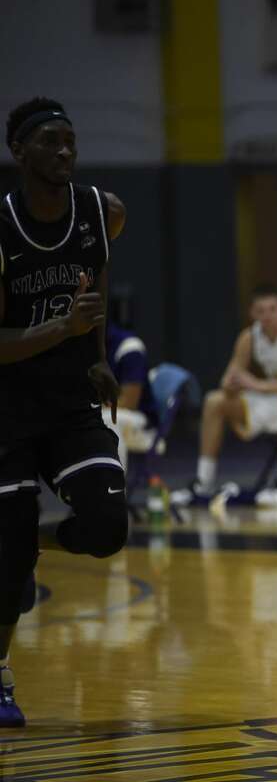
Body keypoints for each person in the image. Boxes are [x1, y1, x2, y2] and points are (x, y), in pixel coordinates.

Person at [0, 97, 131, 727]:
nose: (64, 152)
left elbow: (97, 282)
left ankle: (36, 540)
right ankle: (0, 681)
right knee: (3, 560)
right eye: (49, 142)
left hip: (72, 397)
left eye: (70, 141)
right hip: (9, 408)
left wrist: (98, 353)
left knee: (108, 525)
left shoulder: (101, 213)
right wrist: (59, 330)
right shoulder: (0, 230)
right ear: (19, 152)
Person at [176, 285, 277, 504]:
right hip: (271, 399)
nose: (267, 315)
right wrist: (231, 384)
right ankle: (204, 481)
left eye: (272, 309)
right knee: (214, 400)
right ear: (252, 313)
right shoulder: (249, 337)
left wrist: (256, 385)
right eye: (261, 310)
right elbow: (230, 376)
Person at [101, 319, 156, 467]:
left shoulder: (129, 347)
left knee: (110, 420)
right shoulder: (84, 349)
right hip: (104, 410)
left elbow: (129, 402)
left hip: (141, 421)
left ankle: (115, 486)